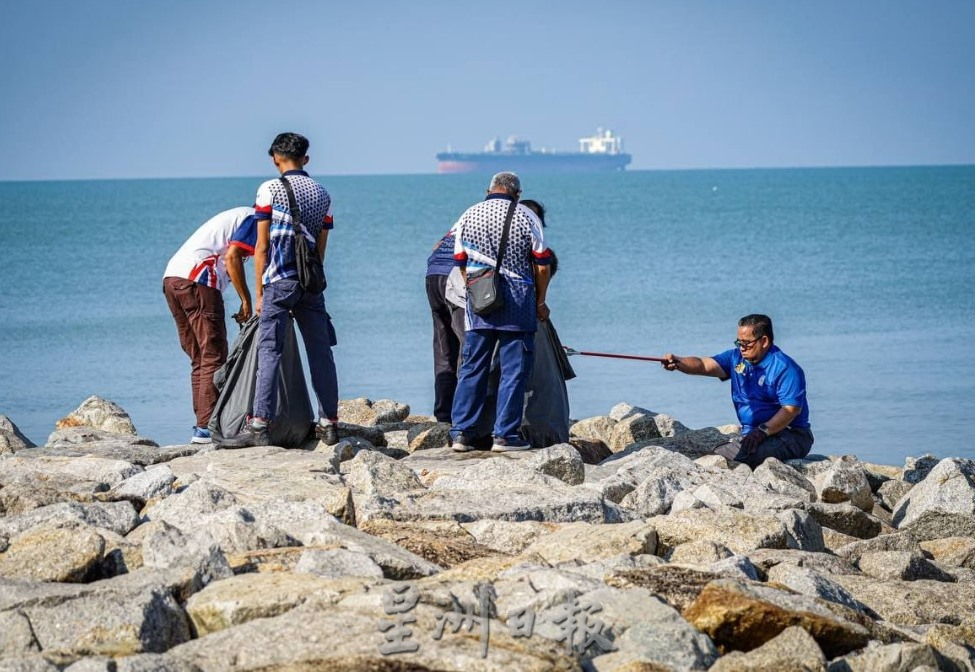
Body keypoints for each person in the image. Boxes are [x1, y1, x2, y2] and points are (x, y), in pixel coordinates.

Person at [221, 132, 340, 448]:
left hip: (278, 281)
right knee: (320, 353)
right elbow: (321, 249)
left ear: (275, 158)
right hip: (310, 283)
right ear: (307, 159)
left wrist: (259, 293)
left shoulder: (269, 189)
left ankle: (259, 424)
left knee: (269, 350)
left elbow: (261, 247)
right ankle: (329, 423)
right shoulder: (323, 194)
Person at [449, 172, 552, 452]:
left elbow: (459, 260)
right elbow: (542, 264)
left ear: (489, 189)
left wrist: (475, 285)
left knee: (473, 367)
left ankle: (461, 433)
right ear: (517, 193)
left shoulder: (469, 213)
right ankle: (505, 435)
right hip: (519, 301)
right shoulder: (526, 216)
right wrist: (540, 301)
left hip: (480, 299)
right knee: (514, 371)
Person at [661, 314, 813, 468]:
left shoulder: (786, 369)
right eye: (739, 342)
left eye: (746, 343)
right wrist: (679, 362)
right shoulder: (736, 358)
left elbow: (791, 410)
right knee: (713, 456)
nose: (741, 348)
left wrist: (762, 431)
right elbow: (703, 364)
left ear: (764, 341)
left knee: (734, 459)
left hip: (792, 435)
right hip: (753, 433)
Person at [162, 206, 257, 444]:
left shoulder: (237, 216)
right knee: (214, 355)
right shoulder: (255, 218)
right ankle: (207, 428)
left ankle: (201, 428)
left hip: (172, 278)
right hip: (198, 280)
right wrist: (246, 300)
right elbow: (234, 256)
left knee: (200, 358)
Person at [426, 227, 466, 423]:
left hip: (433, 274)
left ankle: (443, 414)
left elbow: (437, 246)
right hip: (455, 276)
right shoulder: (511, 218)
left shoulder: (466, 218)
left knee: (444, 349)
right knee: (469, 347)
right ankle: (463, 416)